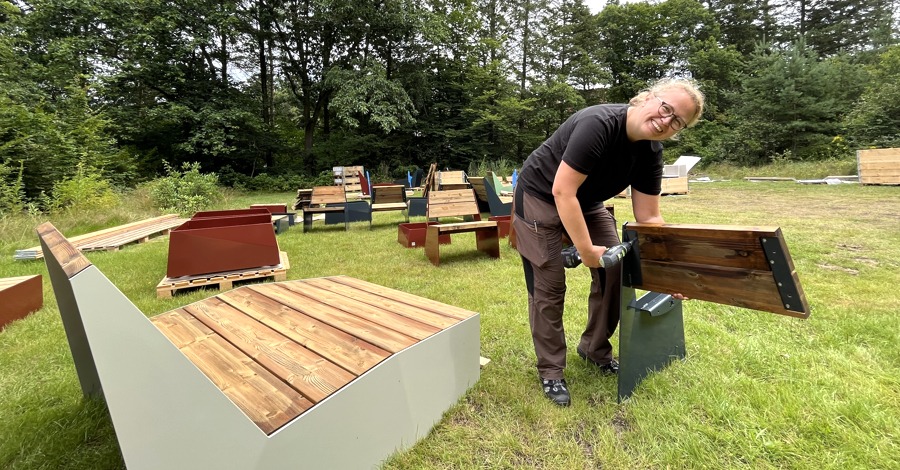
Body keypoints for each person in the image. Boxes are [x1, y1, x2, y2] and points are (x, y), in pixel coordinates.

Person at [512, 78, 704, 406]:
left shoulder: (651, 152)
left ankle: (594, 349)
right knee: (550, 284)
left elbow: (649, 219)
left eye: (677, 122)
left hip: (586, 202)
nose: (666, 121)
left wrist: (671, 273)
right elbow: (562, 191)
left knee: (615, 271)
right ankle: (551, 371)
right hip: (540, 196)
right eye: (666, 108)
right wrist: (586, 250)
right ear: (647, 98)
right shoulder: (598, 124)